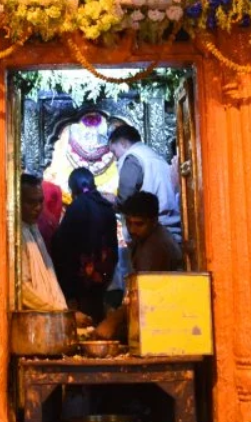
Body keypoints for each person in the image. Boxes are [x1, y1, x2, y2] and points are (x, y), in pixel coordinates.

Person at [93, 191, 183, 340]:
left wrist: (113, 321)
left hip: (164, 325)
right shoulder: (145, 239)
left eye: (139, 224)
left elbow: (144, 294)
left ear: (154, 221)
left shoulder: (156, 246)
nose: (132, 229)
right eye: (128, 223)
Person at [50, 168, 118, 322]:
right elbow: (112, 249)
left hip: (79, 283)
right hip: (102, 279)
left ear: (72, 189)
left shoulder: (77, 207)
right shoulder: (107, 207)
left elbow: (63, 246)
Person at [108, 125, 181, 241]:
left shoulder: (132, 158)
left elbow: (125, 199)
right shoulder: (153, 156)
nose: (115, 158)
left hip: (151, 232)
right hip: (169, 228)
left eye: (114, 151)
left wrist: (109, 200)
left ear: (123, 143)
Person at [19, 174, 67, 311]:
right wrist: (58, 310)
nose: (38, 207)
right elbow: (23, 289)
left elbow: (50, 279)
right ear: (17, 201)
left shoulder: (34, 229)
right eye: (31, 202)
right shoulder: (15, 235)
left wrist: (62, 310)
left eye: (40, 201)